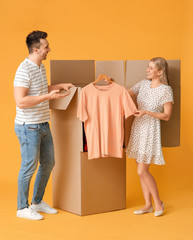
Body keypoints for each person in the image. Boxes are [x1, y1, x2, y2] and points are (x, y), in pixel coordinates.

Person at [14, 30, 74, 220]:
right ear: (36, 49)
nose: (49, 49)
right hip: (28, 126)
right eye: (46, 47)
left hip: (42, 123)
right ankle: (22, 208)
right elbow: (21, 101)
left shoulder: (40, 67)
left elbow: (39, 90)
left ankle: (37, 202)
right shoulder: (24, 69)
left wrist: (57, 86)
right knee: (28, 166)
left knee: (48, 163)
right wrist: (49, 96)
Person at [126, 57, 174, 217]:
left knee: (142, 171)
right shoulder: (143, 84)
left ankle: (158, 202)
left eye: (151, 68)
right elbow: (126, 95)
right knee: (140, 170)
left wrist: (147, 112)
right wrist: (112, 87)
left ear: (160, 72)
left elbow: (167, 116)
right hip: (138, 129)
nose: (147, 70)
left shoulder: (166, 90)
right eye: (148, 67)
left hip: (150, 131)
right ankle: (148, 204)